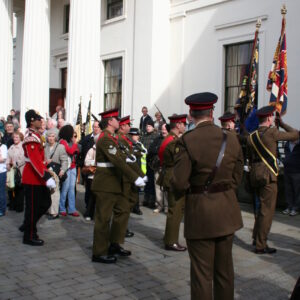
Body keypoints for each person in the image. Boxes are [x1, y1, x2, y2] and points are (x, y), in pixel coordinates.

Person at [172, 93, 244, 300]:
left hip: (200, 211)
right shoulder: (231, 138)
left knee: (202, 275)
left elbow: (178, 181)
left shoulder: (188, 140)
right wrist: (225, 190)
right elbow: (237, 173)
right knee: (225, 272)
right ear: (212, 112)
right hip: (226, 210)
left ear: (190, 114)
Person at [91, 108, 145, 264]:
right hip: (106, 183)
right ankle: (99, 252)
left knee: (123, 211)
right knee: (103, 218)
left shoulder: (114, 138)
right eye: (116, 119)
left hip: (116, 182)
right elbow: (117, 161)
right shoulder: (105, 139)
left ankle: (114, 243)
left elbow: (125, 157)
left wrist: (140, 174)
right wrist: (135, 177)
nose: (119, 122)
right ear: (110, 122)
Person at [247, 105, 299, 254]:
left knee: (260, 209)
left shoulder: (252, 136)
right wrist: (281, 123)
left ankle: (256, 237)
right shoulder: (272, 132)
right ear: (270, 118)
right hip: (268, 175)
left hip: (255, 175)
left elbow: (251, 158)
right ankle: (260, 245)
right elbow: (295, 135)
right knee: (267, 211)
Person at [22, 110, 55, 246]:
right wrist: (46, 176)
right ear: (31, 121)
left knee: (45, 203)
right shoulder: (31, 137)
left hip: (38, 176)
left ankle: (28, 225)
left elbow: (39, 159)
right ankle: (29, 235)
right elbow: (34, 160)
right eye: (38, 119)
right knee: (33, 208)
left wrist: (46, 166)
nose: (41, 121)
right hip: (32, 177)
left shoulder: (36, 135)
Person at [158, 114, 187, 251]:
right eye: (183, 124)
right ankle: (171, 241)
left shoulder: (169, 138)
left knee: (174, 209)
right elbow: (180, 160)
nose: (185, 126)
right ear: (178, 125)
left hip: (169, 174)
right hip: (173, 175)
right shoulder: (173, 141)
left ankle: (169, 237)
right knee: (175, 210)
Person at [118, 116, 146, 237]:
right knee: (123, 205)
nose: (129, 128)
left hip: (132, 175)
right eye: (128, 125)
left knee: (131, 201)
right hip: (125, 176)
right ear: (122, 126)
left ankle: (123, 226)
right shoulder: (120, 139)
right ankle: (121, 228)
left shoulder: (125, 139)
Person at [45, 128, 68, 220]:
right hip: (47, 172)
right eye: (49, 136)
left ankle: (54, 213)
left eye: (53, 136)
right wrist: (46, 161)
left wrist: (63, 170)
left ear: (56, 137)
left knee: (54, 192)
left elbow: (65, 160)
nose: (50, 138)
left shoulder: (60, 147)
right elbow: (42, 160)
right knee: (47, 192)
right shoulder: (45, 147)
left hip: (55, 172)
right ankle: (49, 210)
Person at [59, 125, 80, 217]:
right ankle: (62, 208)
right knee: (65, 188)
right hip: (67, 167)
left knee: (71, 189)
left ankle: (71, 209)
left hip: (73, 166)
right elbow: (71, 151)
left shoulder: (68, 141)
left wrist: (74, 145)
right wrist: (75, 143)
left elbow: (77, 151)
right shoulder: (63, 142)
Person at [79, 120, 101, 209]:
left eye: (97, 127)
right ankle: (88, 208)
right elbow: (81, 151)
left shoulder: (102, 139)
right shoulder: (86, 138)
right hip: (88, 169)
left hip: (99, 171)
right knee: (88, 190)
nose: (95, 129)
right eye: (94, 127)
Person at [148, 123, 169, 213]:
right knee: (157, 186)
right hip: (158, 166)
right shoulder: (157, 139)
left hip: (167, 167)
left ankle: (167, 207)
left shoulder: (171, 139)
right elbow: (151, 150)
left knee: (167, 187)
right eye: (162, 129)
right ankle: (159, 205)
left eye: (165, 129)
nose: (163, 131)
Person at [141, 119, 159, 208]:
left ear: (153, 127)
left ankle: (152, 200)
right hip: (144, 162)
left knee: (152, 181)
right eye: (147, 126)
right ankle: (146, 198)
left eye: (149, 126)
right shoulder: (143, 137)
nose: (147, 128)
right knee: (146, 180)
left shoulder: (156, 136)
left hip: (152, 162)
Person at [6, 131, 25, 212]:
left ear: (20, 138)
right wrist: (7, 164)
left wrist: (13, 163)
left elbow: (22, 159)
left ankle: (19, 207)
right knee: (11, 188)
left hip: (20, 171)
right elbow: (8, 157)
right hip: (11, 171)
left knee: (19, 189)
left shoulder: (23, 147)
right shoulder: (11, 147)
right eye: (14, 137)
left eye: (17, 137)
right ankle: (12, 205)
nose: (15, 139)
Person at [83, 133, 99, 220]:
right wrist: (95, 162)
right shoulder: (91, 150)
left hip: (101, 176)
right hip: (92, 176)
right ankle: (89, 213)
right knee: (91, 196)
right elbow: (87, 162)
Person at [282, 139, 300, 216]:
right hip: (287, 170)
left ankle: (295, 208)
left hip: (297, 171)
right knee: (288, 190)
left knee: (297, 191)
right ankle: (289, 207)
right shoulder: (287, 144)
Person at [0, 132, 8, 217]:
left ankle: (2, 209)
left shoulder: (3, 147)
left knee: (1, 192)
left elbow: (2, 159)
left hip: (1, 172)